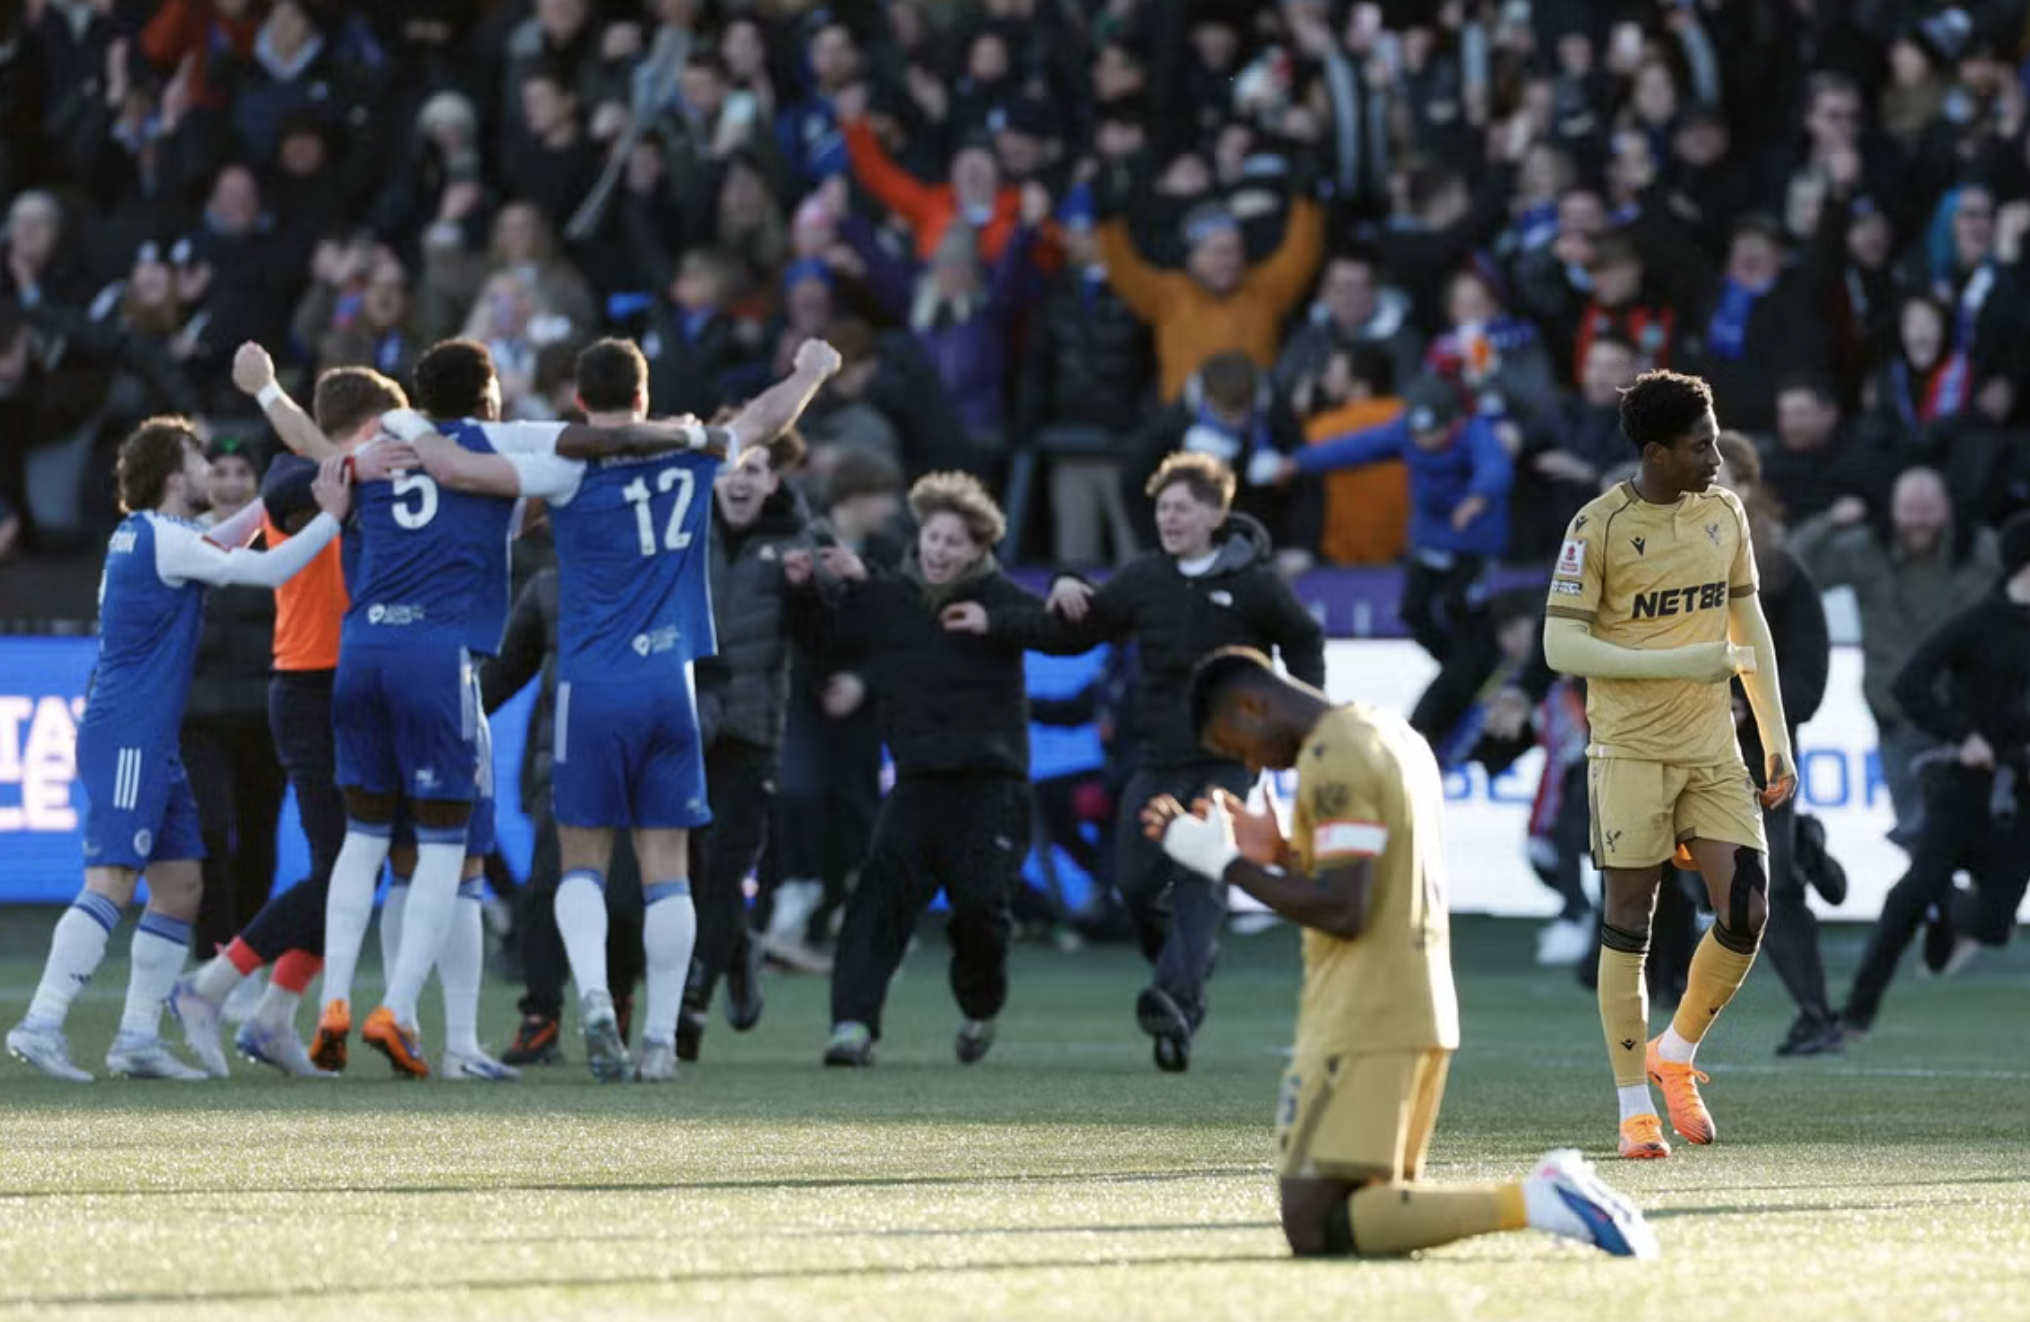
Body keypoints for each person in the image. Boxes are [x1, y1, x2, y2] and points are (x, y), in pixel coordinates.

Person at [264, 339, 712, 1079]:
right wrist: (684, 435)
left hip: (362, 653)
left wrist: (270, 395)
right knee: (450, 849)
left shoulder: (379, 451)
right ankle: (400, 1010)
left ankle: (334, 1002)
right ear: (488, 397)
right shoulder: (499, 448)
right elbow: (587, 451)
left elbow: (299, 472)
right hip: (439, 662)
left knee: (364, 841)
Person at [396, 337, 841, 1081]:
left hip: (592, 688)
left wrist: (404, 424)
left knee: (583, 863)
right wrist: (811, 371)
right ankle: (660, 1041)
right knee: (669, 872)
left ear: (579, 400)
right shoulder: (693, 455)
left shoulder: (564, 466)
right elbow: (766, 417)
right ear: (643, 395)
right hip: (672, 684)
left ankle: (597, 1002)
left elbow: (459, 470)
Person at [1140, 648, 1656, 1260]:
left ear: (1251, 705)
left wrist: (1224, 864)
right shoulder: (1392, 735)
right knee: (1349, 1217)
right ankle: (1539, 1200)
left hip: (1365, 1011)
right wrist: (1280, 854)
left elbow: (1344, 909)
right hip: (1417, 1001)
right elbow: (1371, 876)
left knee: (1311, 1221)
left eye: (1239, 746)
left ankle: (1541, 1198)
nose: (1252, 763)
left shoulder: (1334, 755)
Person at [957, 452, 1326, 1072]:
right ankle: (1183, 969)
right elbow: (1073, 630)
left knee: (1201, 876)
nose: (1168, 518)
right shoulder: (1145, 578)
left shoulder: (1255, 583)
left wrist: (1304, 717)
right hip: (1156, 759)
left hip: (1229, 759)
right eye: (1162, 508)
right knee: (1133, 882)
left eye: (1181, 508)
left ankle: (1175, 997)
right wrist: (1008, 613)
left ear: (1215, 515)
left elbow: (1304, 638)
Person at [6, 420, 349, 1082]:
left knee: (181, 886)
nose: (208, 471)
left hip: (152, 738)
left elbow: (228, 536)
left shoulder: (153, 534)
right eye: (197, 459)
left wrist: (275, 495)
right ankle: (42, 1022)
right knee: (112, 882)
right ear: (172, 476)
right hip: (128, 734)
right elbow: (267, 567)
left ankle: (137, 1038)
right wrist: (330, 516)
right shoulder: (164, 538)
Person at [1542, 369, 1797, 1160]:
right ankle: (1633, 1114)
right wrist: (1681, 663)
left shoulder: (1724, 512)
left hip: (1712, 751)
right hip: (1629, 753)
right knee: (1630, 922)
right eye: (1701, 446)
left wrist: (1775, 735)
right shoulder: (1598, 527)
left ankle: (1674, 1052)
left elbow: (1747, 621)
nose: (1717, 459)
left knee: (1747, 909)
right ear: (1655, 453)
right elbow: (1560, 644)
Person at [168, 366, 407, 1079]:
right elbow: (297, 482)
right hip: (311, 685)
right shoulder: (292, 479)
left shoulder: (346, 480)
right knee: (343, 869)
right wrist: (272, 395)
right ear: (367, 427)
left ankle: (273, 1014)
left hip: (342, 682)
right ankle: (213, 984)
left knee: (356, 867)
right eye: (387, 430)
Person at [787, 472, 1058, 1068]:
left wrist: (995, 623)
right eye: (933, 538)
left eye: (953, 542)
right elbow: (823, 640)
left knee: (981, 911)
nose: (938, 551)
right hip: (917, 784)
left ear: (978, 547)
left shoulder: (999, 598)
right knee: (877, 902)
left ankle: (980, 1007)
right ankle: (853, 1025)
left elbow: (1061, 632)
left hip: (992, 785)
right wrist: (807, 590)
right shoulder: (891, 597)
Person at [1842, 514, 2030, 1037]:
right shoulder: (1981, 622)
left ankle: (1948, 911)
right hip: (1964, 788)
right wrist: (1962, 735)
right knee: (1911, 896)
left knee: (1994, 924)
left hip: (2021, 797)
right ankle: (1855, 1013)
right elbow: (1910, 684)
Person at [1713, 432, 1837, 1057]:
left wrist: (1751, 707)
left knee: (1774, 884)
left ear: (1747, 486)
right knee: (1677, 878)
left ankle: (1817, 1014)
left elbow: (1809, 677)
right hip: (1678, 743)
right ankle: (1665, 1017)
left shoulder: (1783, 574)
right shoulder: (1660, 561)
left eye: (1720, 479)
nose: (1706, 489)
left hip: (1759, 752)